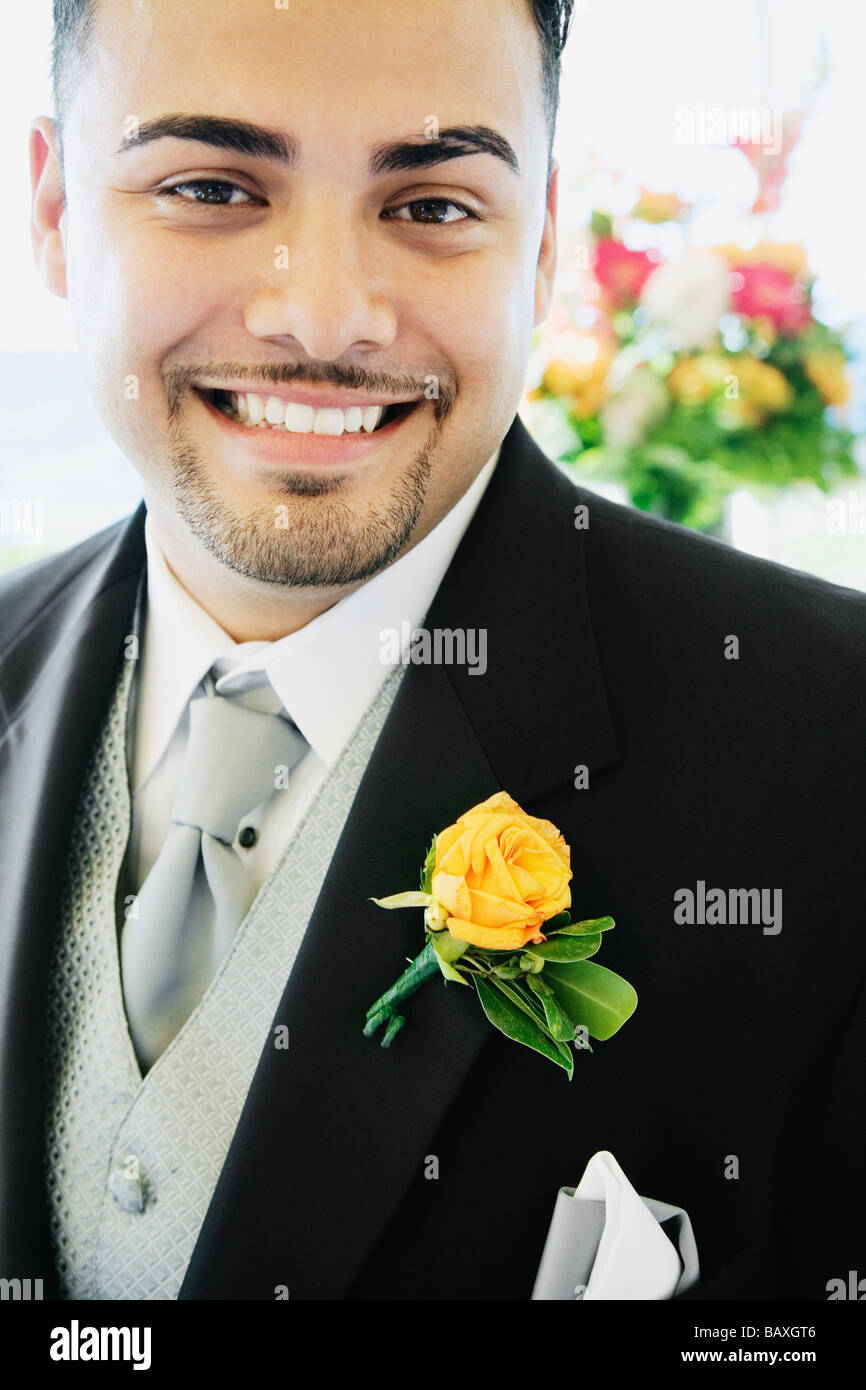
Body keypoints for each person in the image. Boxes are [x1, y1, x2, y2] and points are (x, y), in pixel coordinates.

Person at [1, 0, 863, 1301]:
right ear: (59, 210)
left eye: (432, 206)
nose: (327, 316)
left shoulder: (831, 747)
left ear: (543, 240)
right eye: (212, 186)